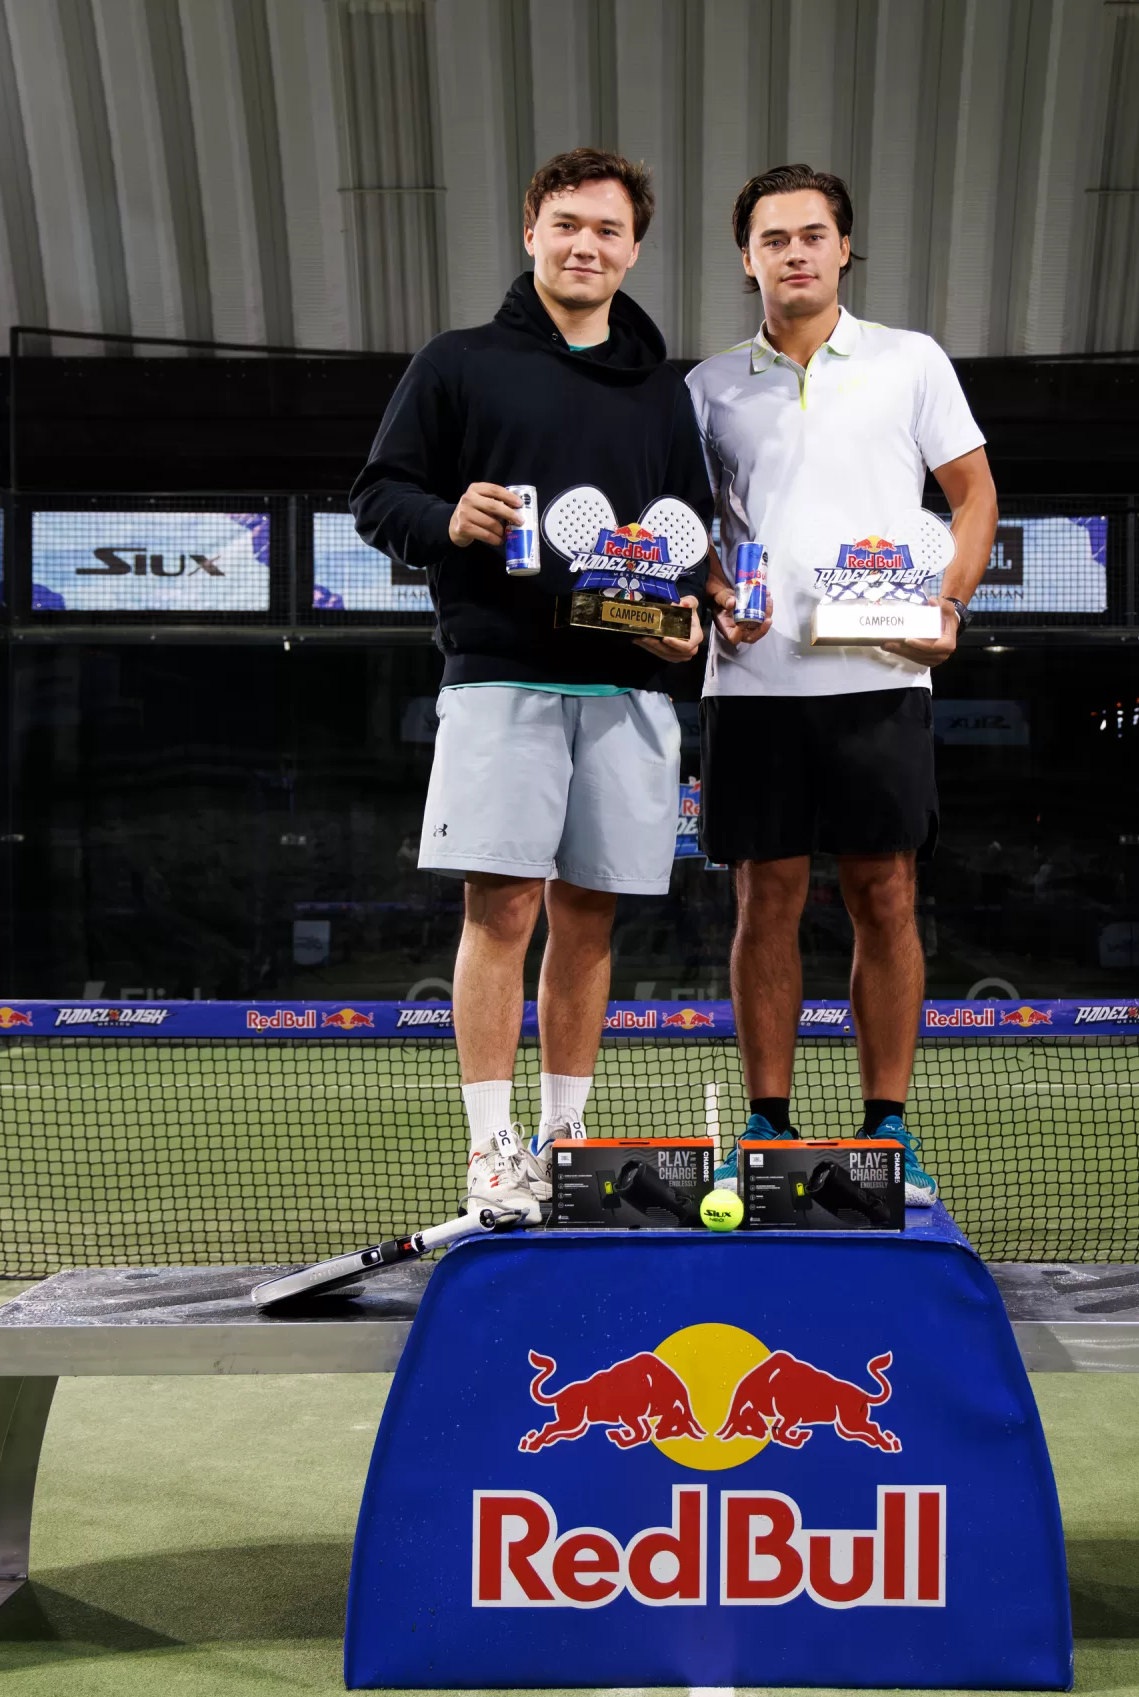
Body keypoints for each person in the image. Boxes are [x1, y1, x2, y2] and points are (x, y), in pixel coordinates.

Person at [351, 148, 709, 1226]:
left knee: (590, 919)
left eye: (605, 229)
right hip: (501, 676)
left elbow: (685, 536)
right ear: (529, 233)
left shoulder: (662, 393)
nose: (584, 244)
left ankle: (564, 1140)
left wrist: (685, 615)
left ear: (633, 247)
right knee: (499, 907)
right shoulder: (457, 363)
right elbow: (378, 497)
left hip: (629, 690)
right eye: (565, 224)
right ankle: (490, 1150)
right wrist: (443, 521)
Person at [689, 164, 999, 1205]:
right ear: (748, 259)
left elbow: (973, 498)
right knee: (763, 901)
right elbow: (691, 537)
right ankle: (767, 1128)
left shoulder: (911, 362)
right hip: (752, 684)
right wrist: (714, 589)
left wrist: (946, 608)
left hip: (880, 676)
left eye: (812, 235)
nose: (794, 252)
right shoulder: (705, 386)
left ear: (842, 249)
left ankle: (887, 1130)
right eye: (773, 238)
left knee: (885, 893)